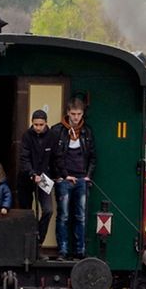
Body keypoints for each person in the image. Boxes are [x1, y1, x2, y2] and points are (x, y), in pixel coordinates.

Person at [51, 98, 95, 260]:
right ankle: (62, 251)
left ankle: (80, 251)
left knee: (80, 217)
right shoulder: (58, 131)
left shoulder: (87, 132)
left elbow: (92, 156)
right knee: (63, 216)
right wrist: (61, 176)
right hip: (64, 179)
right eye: (73, 114)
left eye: (79, 114)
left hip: (81, 179)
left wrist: (88, 176)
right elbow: (55, 157)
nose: (76, 117)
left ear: (83, 114)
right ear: (68, 113)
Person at [18, 109, 55, 245]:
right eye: (35, 124)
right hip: (26, 178)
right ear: (32, 123)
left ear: (46, 123)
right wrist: (32, 173)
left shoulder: (52, 136)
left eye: (41, 124)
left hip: (44, 178)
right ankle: (27, 243)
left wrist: (61, 175)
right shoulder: (27, 135)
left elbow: (56, 158)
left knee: (48, 210)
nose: (38, 127)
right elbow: (24, 157)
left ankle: (38, 240)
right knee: (27, 212)